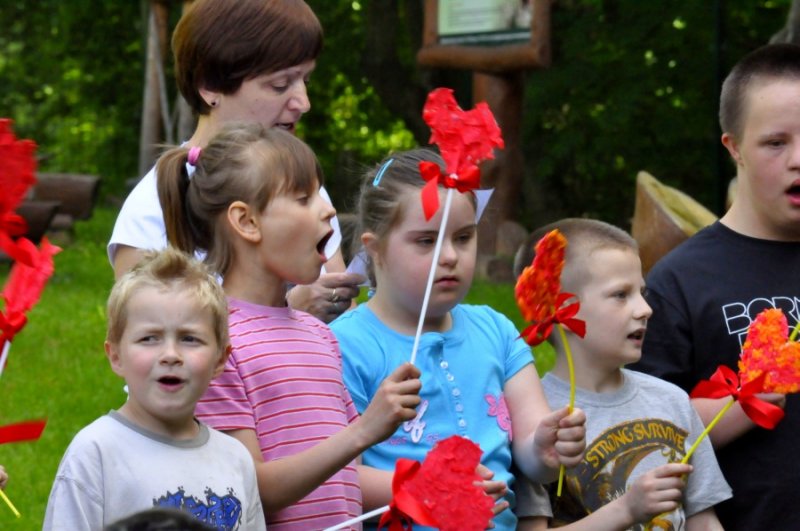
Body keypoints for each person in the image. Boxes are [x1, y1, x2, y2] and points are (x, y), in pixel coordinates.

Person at [158, 122, 422, 530]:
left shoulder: (320, 336)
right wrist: (364, 431)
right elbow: (249, 488)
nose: (328, 210)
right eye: (303, 198)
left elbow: (343, 478)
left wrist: (433, 488)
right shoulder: (214, 344)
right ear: (247, 221)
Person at [330, 149, 587, 530]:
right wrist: (431, 487)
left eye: (463, 237)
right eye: (426, 241)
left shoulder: (496, 331)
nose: (449, 256)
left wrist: (546, 447)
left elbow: (533, 459)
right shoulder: (342, 346)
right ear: (375, 248)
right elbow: (338, 479)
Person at [630, 42, 800, 531]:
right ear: (734, 147)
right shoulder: (679, 282)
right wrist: (741, 406)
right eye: (775, 143)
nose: (798, 158)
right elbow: (640, 437)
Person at [108, 0, 362, 323]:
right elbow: (152, 344)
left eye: (305, 81)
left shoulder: (300, 184)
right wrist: (288, 312)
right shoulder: (150, 215)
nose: (303, 102)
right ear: (210, 87)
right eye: (280, 85)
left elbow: (345, 323)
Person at [513, 219, 730, 530]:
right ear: (563, 308)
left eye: (641, 292)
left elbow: (704, 521)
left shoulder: (672, 401)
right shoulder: (535, 423)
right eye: (621, 294)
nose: (645, 309)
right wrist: (627, 509)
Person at [43, 247, 266, 530]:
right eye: (149, 338)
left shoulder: (236, 459)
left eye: (189, 339)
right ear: (116, 356)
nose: (170, 354)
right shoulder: (95, 454)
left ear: (220, 359)